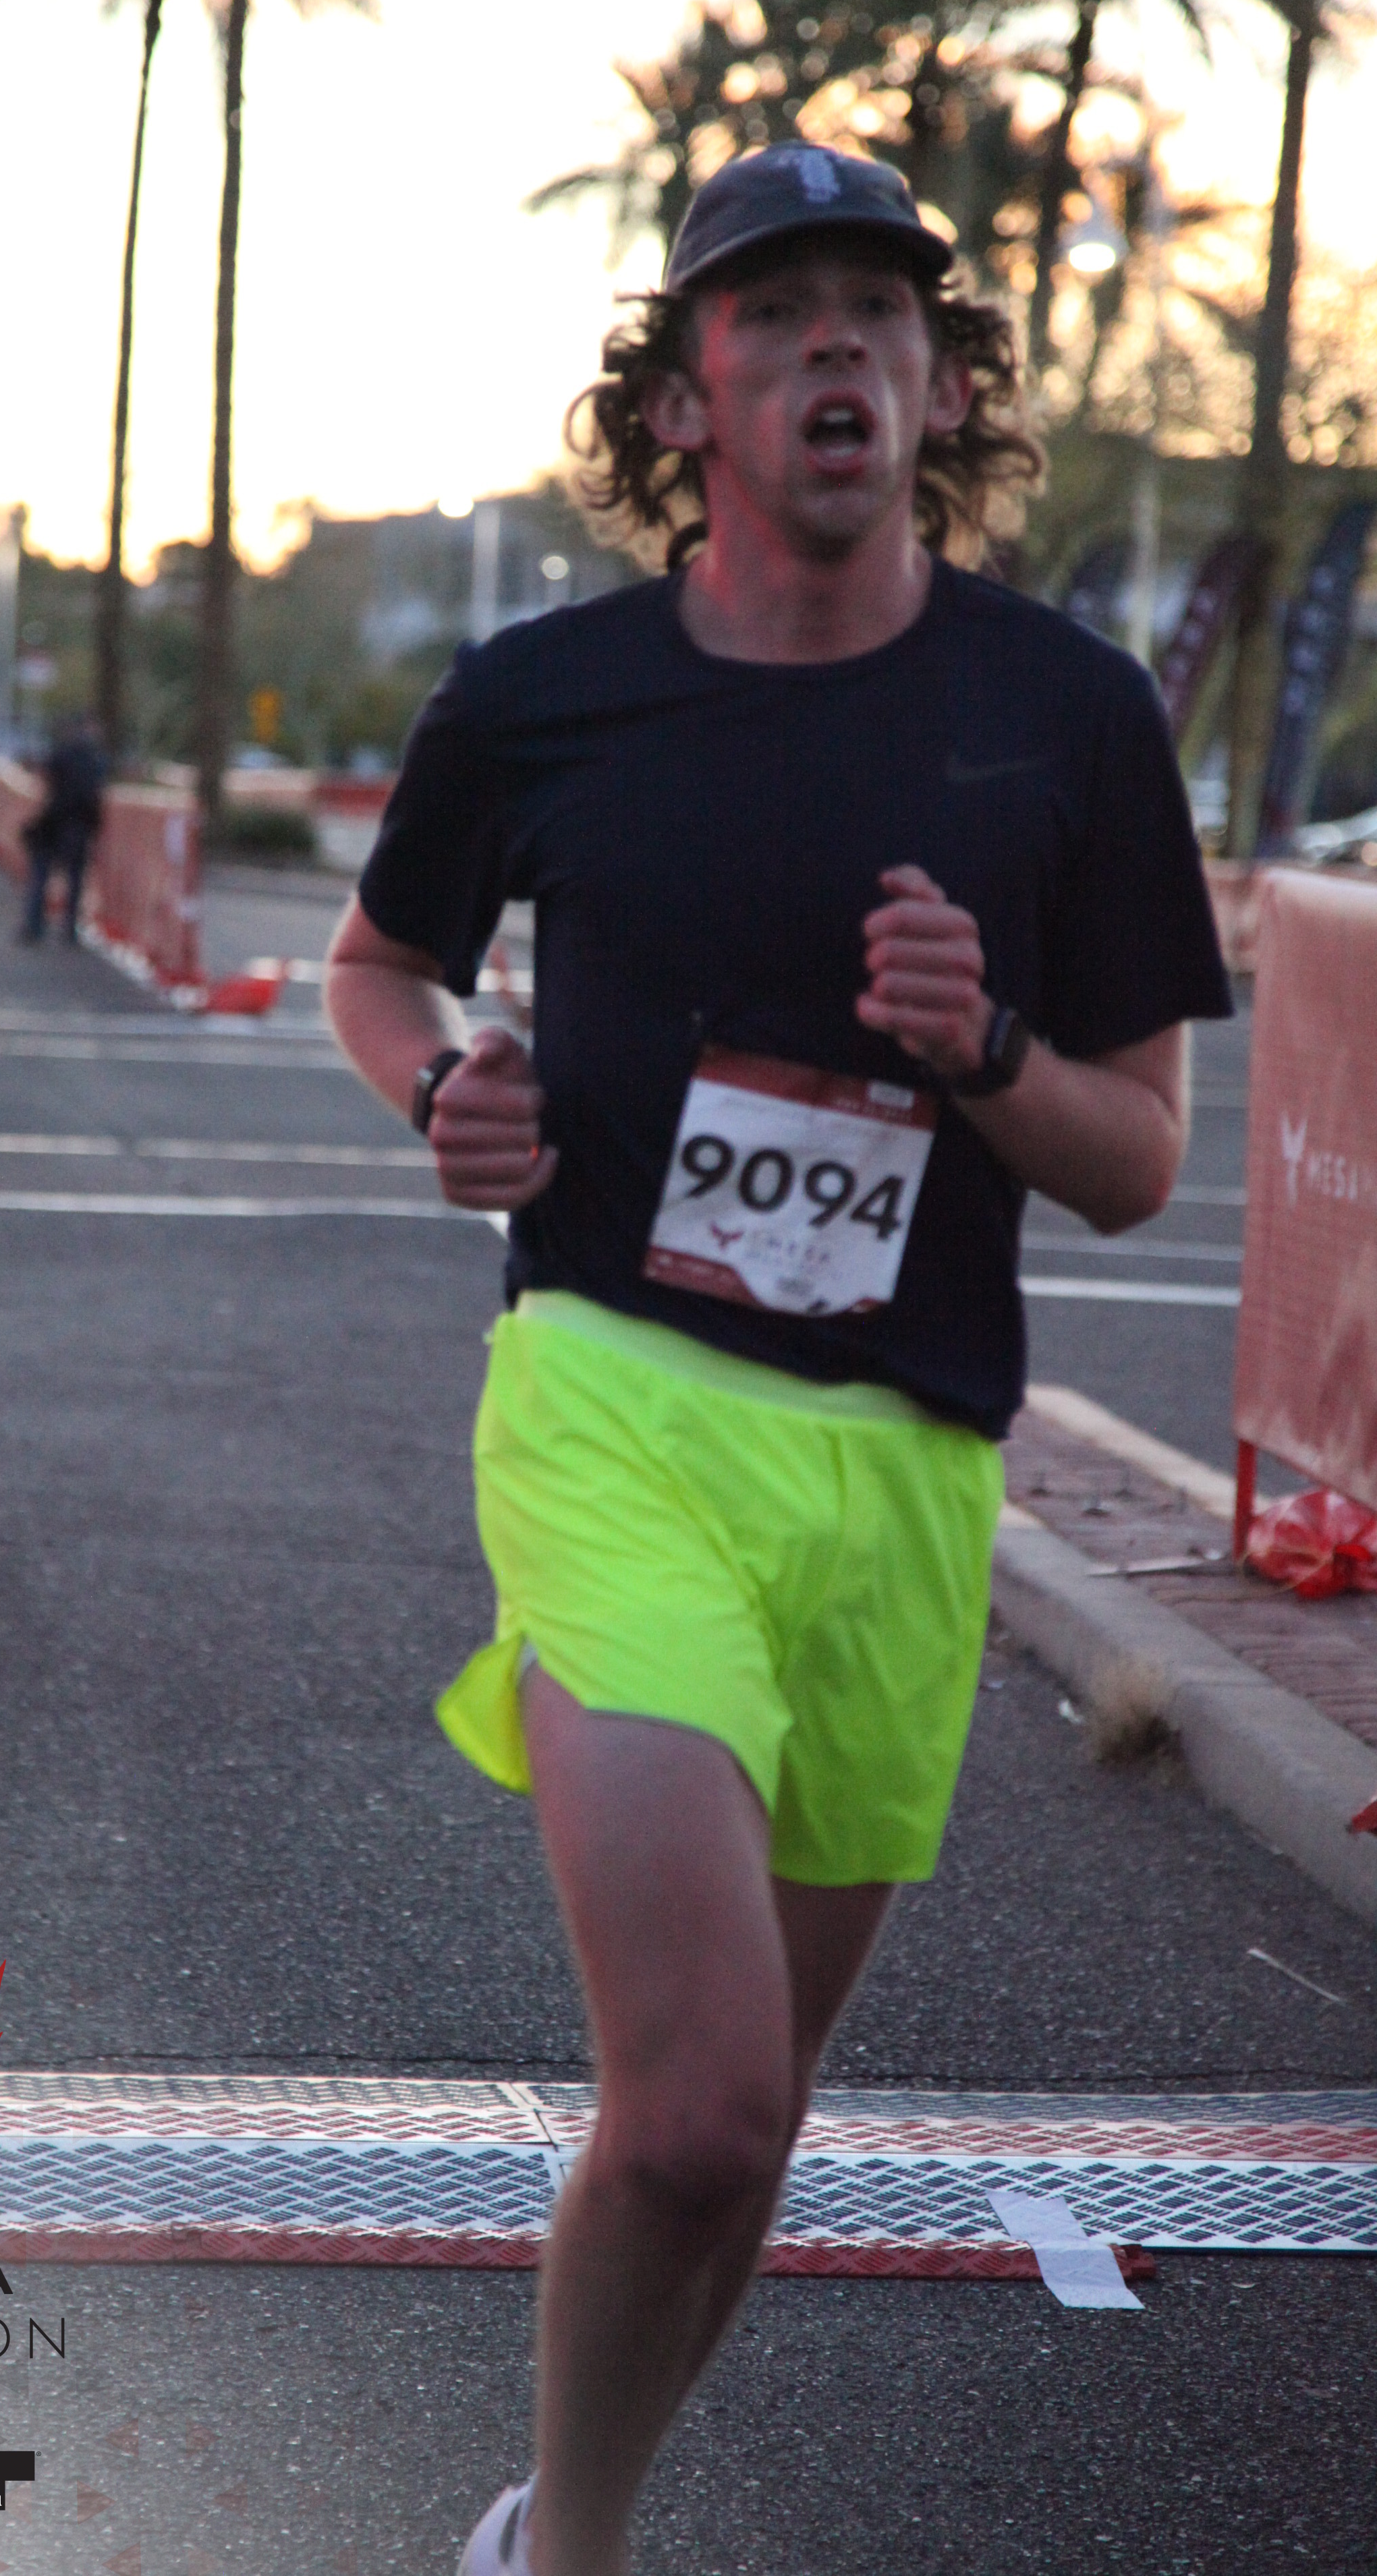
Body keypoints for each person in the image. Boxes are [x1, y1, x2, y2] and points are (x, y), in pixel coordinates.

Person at [323, 141, 1233, 2576]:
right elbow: (376, 965)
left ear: (940, 385)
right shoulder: (545, 695)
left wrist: (983, 1048)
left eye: (881, 308)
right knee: (705, 2099)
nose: (838, 341)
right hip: (614, 1402)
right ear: (682, 397)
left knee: (743, 2129)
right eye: (776, 309)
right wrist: (441, 1087)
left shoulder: (1063, 717)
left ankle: (559, 2515)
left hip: (907, 1468)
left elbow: (1139, 1158)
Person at [20, 713, 107, 944]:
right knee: (74, 879)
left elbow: (45, 783)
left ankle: (35, 925)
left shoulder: (61, 754)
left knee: (42, 875)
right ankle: (69, 927)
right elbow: (95, 797)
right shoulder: (95, 760)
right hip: (76, 825)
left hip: (54, 822)